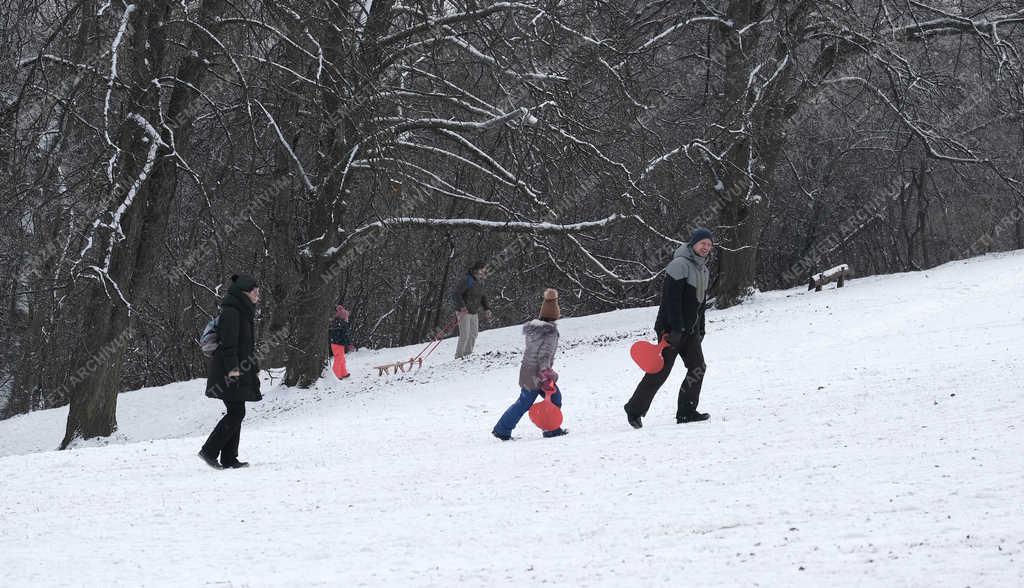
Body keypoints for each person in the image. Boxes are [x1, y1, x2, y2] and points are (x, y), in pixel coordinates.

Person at [624, 228, 714, 428]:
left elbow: (700, 303)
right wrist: (674, 329)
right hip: (671, 329)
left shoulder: (704, 270)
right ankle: (634, 409)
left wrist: (700, 328)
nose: (706, 247)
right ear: (693, 244)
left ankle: (686, 412)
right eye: (703, 244)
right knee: (661, 371)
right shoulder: (679, 264)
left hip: (689, 331)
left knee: (698, 367)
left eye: (709, 245)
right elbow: (671, 301)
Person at [199, 274, 263, 469]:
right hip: (229, 371)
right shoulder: (232, 313)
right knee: (236, 412)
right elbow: (229, 344)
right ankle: (209, 451)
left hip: (238, 369)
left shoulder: (242, 311)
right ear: (244, 292)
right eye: (255, 291)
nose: (258, 294)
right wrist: (233, 369)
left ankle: (229, 459)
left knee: (236, 411)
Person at [492, 289, 568, 440]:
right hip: (539, 374)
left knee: (528, 401)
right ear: (555, 314)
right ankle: (504, 429)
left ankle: (504, 428)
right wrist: (547, 375)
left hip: (528, 371)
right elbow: (543, 356)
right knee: (550, 399)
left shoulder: (534, 329)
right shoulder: (550, 332)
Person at [453, 261, 492, 359]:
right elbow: (456, 293)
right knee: (465, 334)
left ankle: (467, 355)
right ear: (476, 270)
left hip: (474, 311)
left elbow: (483, 296)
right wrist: (462, 306)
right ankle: (459, 356)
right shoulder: (468, 279)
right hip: (463, 311)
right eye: (482, 270)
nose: (484, 272)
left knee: (473, 334)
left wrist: (487, 308)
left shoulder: (481, 281)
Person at [328, 304, 352, 379]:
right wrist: (349, 343)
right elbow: (345, 334)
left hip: (335, 343)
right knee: (339, 358)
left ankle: (343, 373)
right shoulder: (342, 323)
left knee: (341, 358)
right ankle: (336, 374)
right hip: (338, 343)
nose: (347, 318)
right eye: (346, 316)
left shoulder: (335, 322)